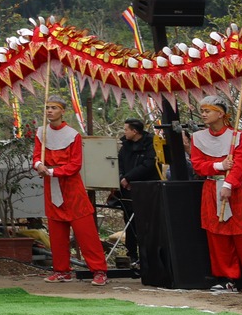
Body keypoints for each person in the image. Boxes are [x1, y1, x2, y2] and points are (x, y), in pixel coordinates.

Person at [188, 96, 242, 294]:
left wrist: (228, 184)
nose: (203, 114)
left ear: (220, 113)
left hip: (236, 189)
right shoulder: (197, 138)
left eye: (207, 110)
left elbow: (240, 165)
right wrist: (219, 165)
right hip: (211, 188)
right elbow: (198, 165)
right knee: (216, 234)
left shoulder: (238, 137)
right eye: (202, 111)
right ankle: (226, 278)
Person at [33, 98, 106, 285]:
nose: (49, 111)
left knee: (85, 232)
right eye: (47, 108)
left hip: (71, 187)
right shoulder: (41, 132)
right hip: (52, 186)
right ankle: (61, 270)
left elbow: (75, 165)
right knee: (56, 232)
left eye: (54, 108)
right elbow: (36, 156)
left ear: (62, 111)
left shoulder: (73, 135)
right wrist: (39, 164)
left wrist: (52, 171)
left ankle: (99, 271)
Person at [110, 116, 161, 279]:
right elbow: (119, 163)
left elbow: (149, 164)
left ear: (135, 131)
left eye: (126, 129)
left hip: (146, 188)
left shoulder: (151, 143)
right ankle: (132, 255)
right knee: (130, 224)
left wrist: (130, 177)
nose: (124, 132)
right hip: (127, 190)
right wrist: (122, 179)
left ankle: (150, 259)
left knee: (147, 225)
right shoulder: (125, 146)